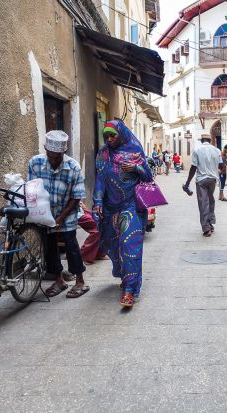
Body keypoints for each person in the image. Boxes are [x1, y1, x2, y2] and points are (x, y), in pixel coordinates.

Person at [93, 119, 153, 308]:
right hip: (110, 209)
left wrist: (136, 168)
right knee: (115, 243)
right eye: (107, 136)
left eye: (113, 135)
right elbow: (100, 179)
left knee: (129, 245)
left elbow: (148, 177)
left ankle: (129, 289)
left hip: (131, 206)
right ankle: (125, 275)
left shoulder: (135, 152)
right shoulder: (103, 154)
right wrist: (97, 201)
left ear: (121, 134)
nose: (110, 139)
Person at [28, 130, 89, 298]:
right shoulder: (35, 163)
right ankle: (59, 279)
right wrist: (37, 213)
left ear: (64, 152)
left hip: (67, 212)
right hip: (44, 213)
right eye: (51, 156)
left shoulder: (73, 167)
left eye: (58, 157)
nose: (54, 160)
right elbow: (32, 189)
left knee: (71, 245)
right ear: (46, 150)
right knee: (49, 246)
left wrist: (61, 218)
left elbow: (76, 196)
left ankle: (80, 281)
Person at [182, 135, 223, 237]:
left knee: (203, 203)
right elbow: (221, 166)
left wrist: (187, 183)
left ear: (201, 141)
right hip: (212, 180)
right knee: (210, 200)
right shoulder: (217, 150)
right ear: (210, 140)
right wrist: (214, 172)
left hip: (201, 180)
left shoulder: (197, 150)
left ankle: (206, 228)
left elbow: (193, 168)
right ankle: (210, 223)